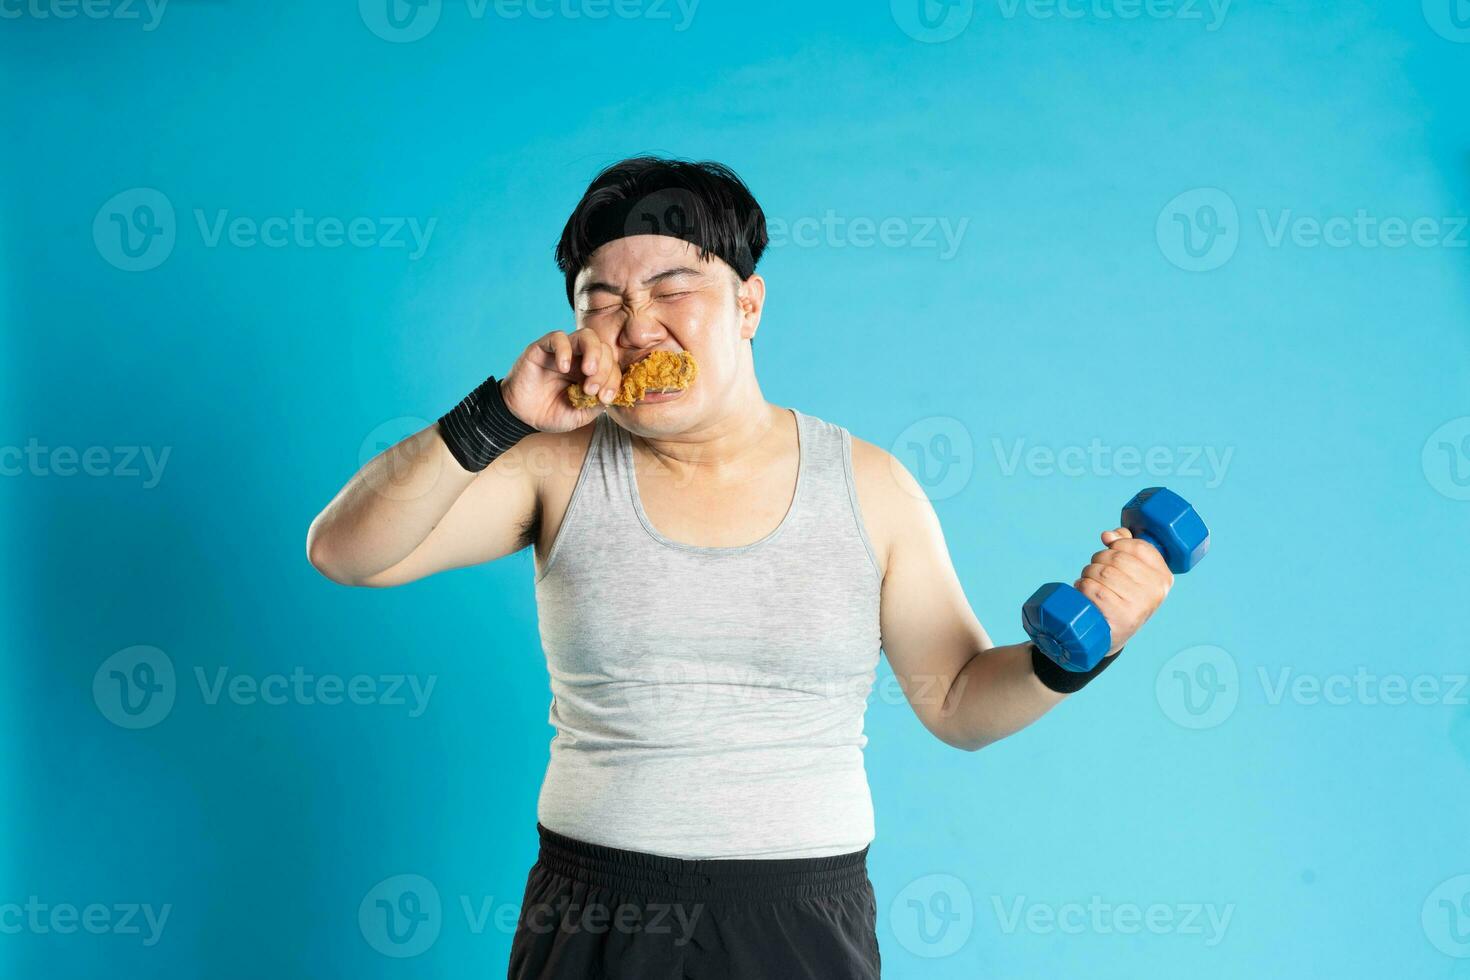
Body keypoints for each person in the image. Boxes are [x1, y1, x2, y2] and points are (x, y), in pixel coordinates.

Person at [305, 156, 1175, 979]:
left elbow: (955, 703)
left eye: (672, 288)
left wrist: (1077, 654)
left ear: (749, 304)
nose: (638, 324)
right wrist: (498, 414)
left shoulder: (871, 487)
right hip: (595, 914)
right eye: (601, 300)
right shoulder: (549, 466)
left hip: (797, 919)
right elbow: (345, 552)